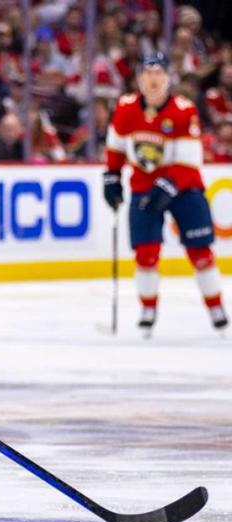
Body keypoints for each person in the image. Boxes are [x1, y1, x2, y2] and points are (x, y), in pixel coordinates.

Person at [104, 52, 228, 334]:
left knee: (200, 252)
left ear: (168, 78)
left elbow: (188, 161)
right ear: (139, 79)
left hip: (184, 188)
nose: (153, 80)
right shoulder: (125, 108)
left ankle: (215, 305)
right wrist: (111, 177)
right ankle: (148, 308)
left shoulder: (184, 110)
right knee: (146, 254)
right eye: (147, 74)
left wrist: (168, 187)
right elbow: (116, 148)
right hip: (144, 186)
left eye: (158, 74)